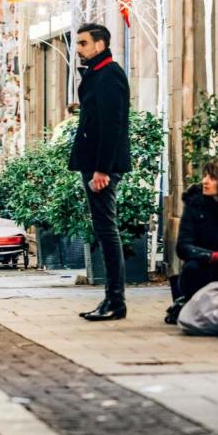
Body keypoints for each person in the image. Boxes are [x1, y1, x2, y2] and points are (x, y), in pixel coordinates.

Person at [70, 22, 131, 322]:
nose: (78, 48)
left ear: (100, 44)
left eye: (82, 43)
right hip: (94, 164)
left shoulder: (109, 75)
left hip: (101, 167)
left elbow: (113, 126)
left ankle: (115, 301)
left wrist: (102, 169)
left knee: (107, 230)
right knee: (105, 229)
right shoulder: (98, 74)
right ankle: (112, 299)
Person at [164, 159, 218, 325]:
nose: (205, 181)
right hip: (206, 266)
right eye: (204, 176)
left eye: (212, 177)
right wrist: (213, 256)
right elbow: (183, 247)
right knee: (191, 270)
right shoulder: (195, 206)